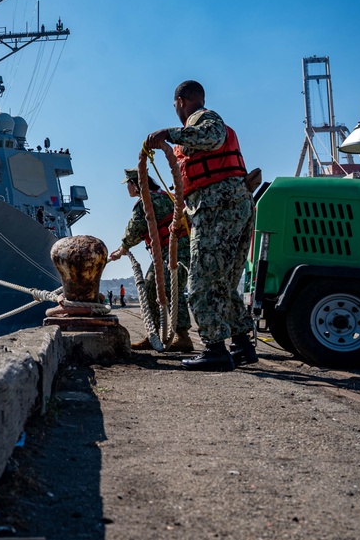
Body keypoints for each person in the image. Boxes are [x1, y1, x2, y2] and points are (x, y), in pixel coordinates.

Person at [145, 79, 255, 372]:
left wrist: (168, 133)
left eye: (174, 106)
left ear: (180, 101)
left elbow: (213, 137)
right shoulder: (197, 130)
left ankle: (215, 349)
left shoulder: (203, 119)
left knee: (200, 284)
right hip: (230, 206)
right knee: (222, 282)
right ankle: (241, 344)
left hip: (218, 207)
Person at [108, 168, 193, 352]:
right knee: (159, 288)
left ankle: (182, 336)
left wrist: (123, 248)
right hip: (181, 250)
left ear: (135, 185)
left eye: (128, 185)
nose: (127, 189)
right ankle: (155, 336)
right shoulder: (165, 196)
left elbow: (135, 229)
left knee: (167, 289)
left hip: (172, 252)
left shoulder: (146, 202)